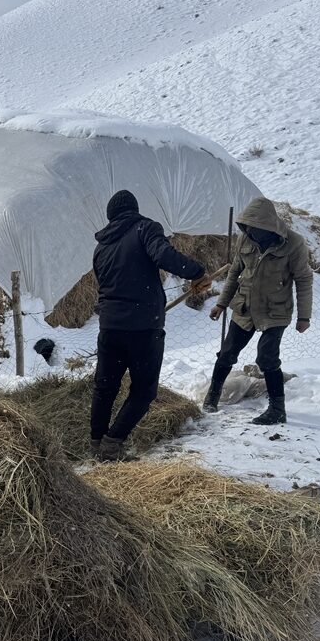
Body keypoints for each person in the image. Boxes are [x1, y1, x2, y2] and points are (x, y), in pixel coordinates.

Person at [90, 190, 208, 461]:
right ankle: (112, 443)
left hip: (109, 326)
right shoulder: (144, 228)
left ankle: (96, 443)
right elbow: (164, 255)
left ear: (111, 217)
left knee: (105, 386)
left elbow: (106, 284)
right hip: (142, 327)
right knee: (144, 390)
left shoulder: (101, 248)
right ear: (134, 210)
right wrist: (197, 272)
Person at [204, 196, 313, 425]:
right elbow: (234, 273)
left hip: (275, 310)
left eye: (256, 228)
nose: (252, 232)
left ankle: (277, 409)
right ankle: (212, 396)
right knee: (227, 353)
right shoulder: (245, 239)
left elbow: (303, 279)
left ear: (269, 225)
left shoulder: (293, 244)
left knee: (267, 356)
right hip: (245, 307)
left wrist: (304, 316)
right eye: (248, 227)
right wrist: (222, 304)